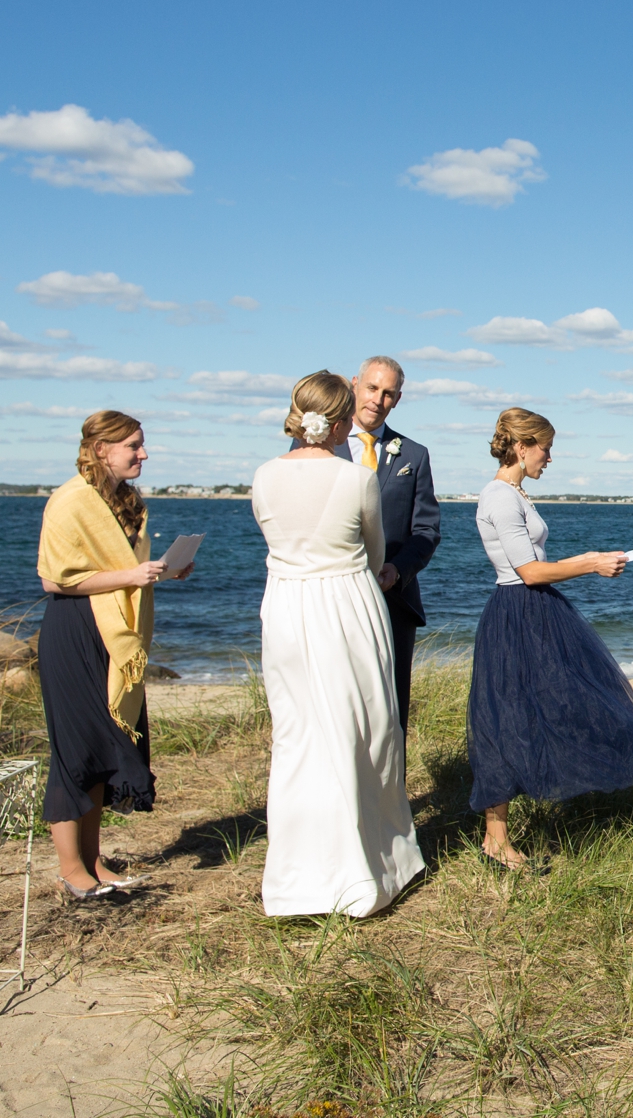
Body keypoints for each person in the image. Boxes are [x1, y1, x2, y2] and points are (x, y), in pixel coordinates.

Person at [469, 407, 633, 872]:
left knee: (561, 707)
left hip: (538, 611)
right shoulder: (500, 498)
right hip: (518, 612)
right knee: (508, 720)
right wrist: (590, 562)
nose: (550, 458)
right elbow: (529, 571)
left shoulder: (515, 494)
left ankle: (514, 826)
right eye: (546, 448)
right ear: (523, 448)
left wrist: (595, 560)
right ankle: (495, 839)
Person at [251, 371, 424, 917]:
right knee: (364, 732)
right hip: (347, 607)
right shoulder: (356, 479)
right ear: (342, 418)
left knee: (298, 736)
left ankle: (295, 877)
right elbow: (374, 555)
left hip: (285, 611)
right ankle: (367, 868)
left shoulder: (262, 475)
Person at [35, 411, 192, 900]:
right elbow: (55, 579)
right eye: (134, 446)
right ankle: (69, 869)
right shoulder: (69, 502)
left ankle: (93, 859)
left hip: (117, 633)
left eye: (141, 445)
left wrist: (162, 573)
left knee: (104, 746)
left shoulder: (126, 500)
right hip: (75, 631)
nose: (143, 454)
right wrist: (132, 577)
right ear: (102, 448)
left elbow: (122, 569)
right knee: (75, 751)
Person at [344, 356, 440, 733]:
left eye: (388, 394)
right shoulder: (317, 446)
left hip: (393, 600)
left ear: (397, 399)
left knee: (390, 710)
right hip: (335, 595)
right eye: (371, 388)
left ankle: (392, 792)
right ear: (355, 384)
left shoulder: (413, 455)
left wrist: (397, 570)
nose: (377, 400)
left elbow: (427, 530)